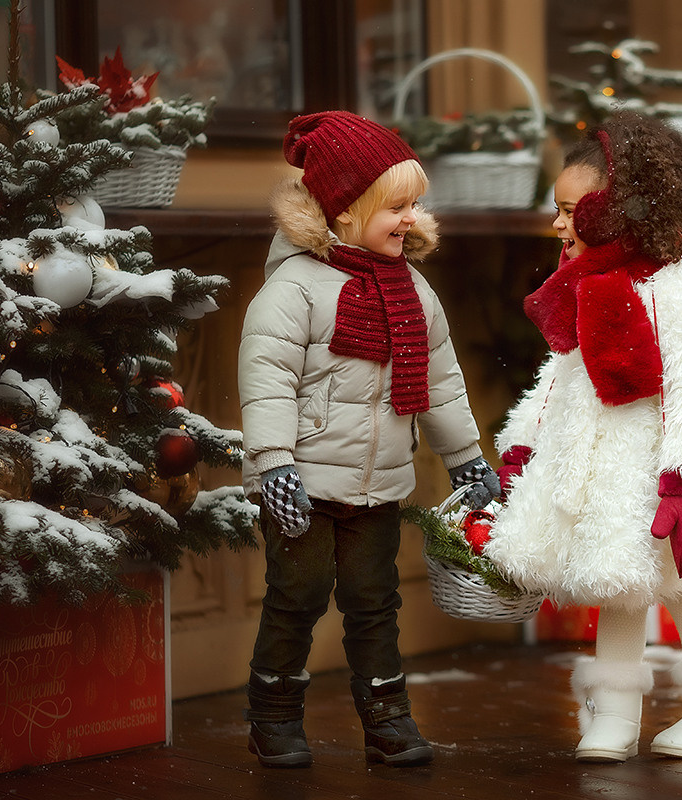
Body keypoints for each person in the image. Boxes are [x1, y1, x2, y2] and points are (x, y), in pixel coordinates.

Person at [487, 113, 682, 762]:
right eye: (558, 209)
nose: (558, 223)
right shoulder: (582, 288)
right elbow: (559, 375)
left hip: (662, 463)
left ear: (618, 211)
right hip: (602, 465)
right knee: (618, 586)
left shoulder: (673, 293)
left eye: (572, 210)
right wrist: (524, 440)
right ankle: (614, 716)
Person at [237, 111, 500, 769]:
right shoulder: (294, 289)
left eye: (415, 205)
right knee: (296, 598)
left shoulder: (413, 290)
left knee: (374, 604)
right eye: (395, 206)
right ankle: (273, 716)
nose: (410, 218)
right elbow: (266, 380)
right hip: (301, 482)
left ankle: (387, 719)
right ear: (345, 209)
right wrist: (273, 465)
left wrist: (466, 457)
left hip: (378, 483)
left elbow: (440, 382)